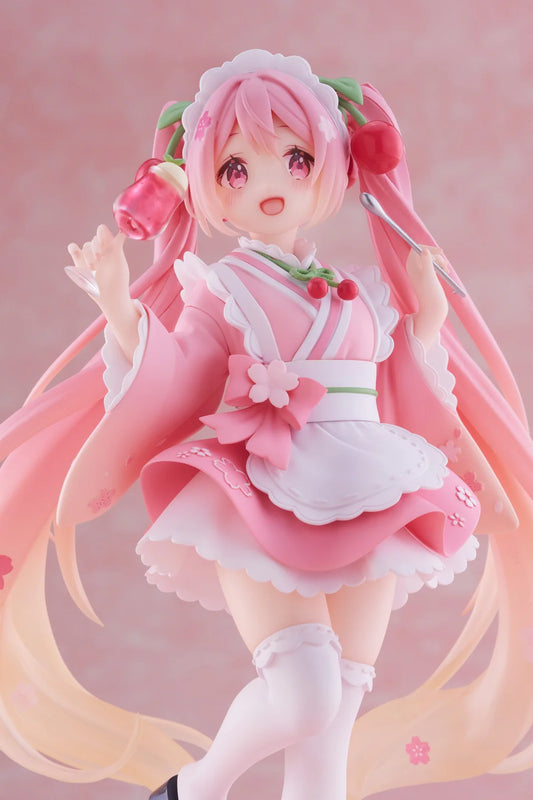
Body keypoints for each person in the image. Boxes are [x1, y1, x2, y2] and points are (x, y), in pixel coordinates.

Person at [0, 50, 532, 800]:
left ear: (333, 163)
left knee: (334, 721)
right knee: (304, 693)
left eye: (295, 157)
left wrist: (426, 321)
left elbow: (399, 390)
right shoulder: (223, 288)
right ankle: (195, 788)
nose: (270, 183)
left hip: (369, 484)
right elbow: (179, 375)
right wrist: (121, 309)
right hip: (267, 489)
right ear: (206, 188)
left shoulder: (361, 293)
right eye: (235, 170)